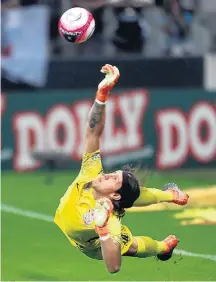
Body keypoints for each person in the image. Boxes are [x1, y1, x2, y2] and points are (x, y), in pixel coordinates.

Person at [54, 64, 189, 274]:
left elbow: (114, 267)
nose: (106, 174)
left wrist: (103, 231)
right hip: (91, 214)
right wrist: (102, 94)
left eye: (113, 179)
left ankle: (163, 247)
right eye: (113, 174)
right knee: (131, 195)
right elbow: (92, 133)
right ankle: (171, 195)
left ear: (113, 194)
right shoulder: (92, 172)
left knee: (132, 246)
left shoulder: (109, 220)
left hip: (91, 245)